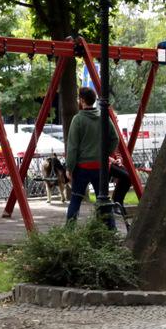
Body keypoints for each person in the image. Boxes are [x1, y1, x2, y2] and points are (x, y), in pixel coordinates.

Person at [65, 87, 118, 227]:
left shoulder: (78, 120)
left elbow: (72, 147)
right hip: (100, 167)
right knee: (104, 200)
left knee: (76, 199)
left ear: (82, 100)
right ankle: (110, 229)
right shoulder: (103, 117)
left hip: (82, 167)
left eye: (79, 98)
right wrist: (105, 155)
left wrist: (69, 168)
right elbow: (115, 138)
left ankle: (69, 230)